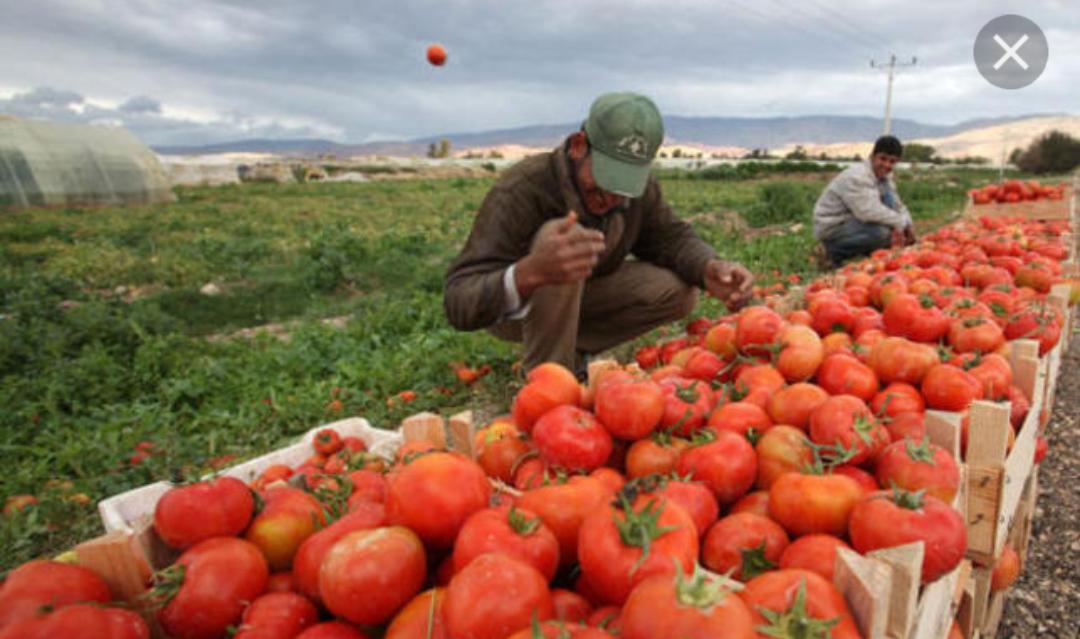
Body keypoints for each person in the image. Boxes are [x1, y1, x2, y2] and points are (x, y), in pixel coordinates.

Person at [444, 92, 753, 376]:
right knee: (563, 238)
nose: (611, 198)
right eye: (605, 179)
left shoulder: (634, 191)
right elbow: (459, 301)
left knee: (676, 290)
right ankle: (549, 380)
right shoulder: (522, 189)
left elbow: (668, 237)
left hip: (585, 297)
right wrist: (530, 272)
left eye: (623, 186)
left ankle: (574, 350)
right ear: (579, 145)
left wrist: (708, 266)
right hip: (517, 309)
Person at [813, 135, 917, 267]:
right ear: (872, 156)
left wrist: (908, 226)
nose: (886, 165)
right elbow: (868, 212)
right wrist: (900, 224)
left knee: (889, 203)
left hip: (856, 222)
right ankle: (830, 251)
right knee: (881, 234)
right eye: (883, 159)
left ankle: (866, 253)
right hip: (835, 226)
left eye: (892, 162)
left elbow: (898, 206)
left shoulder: (884, 178)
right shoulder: (857, 176)